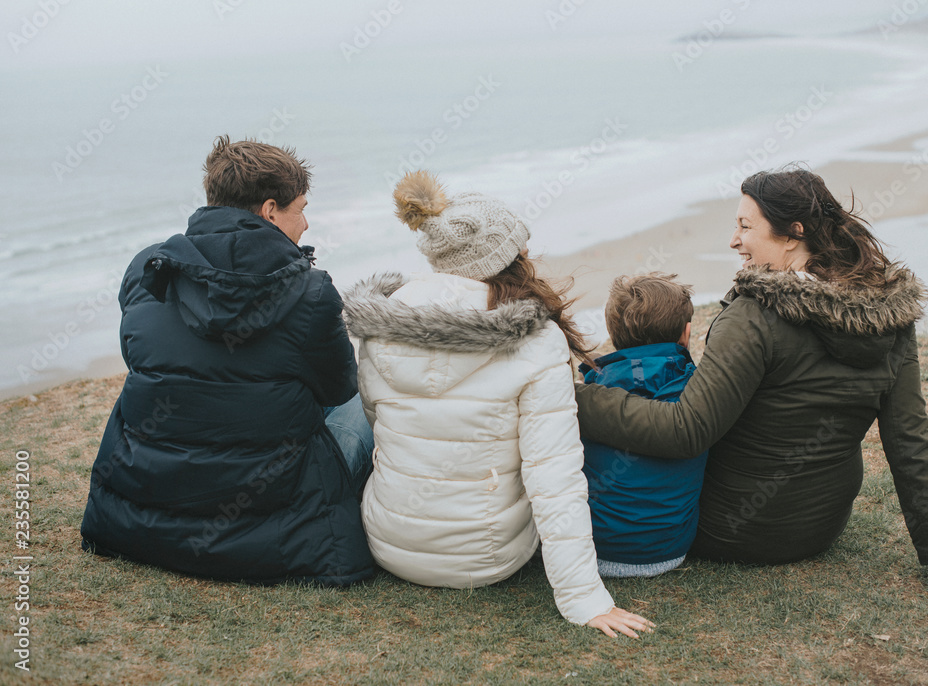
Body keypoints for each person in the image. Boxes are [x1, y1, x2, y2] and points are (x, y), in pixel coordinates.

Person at [574, 166, 928, 609]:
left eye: (744, 226)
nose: (733, 240)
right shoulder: (889, 314)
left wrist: (577, 398)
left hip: (731, 528)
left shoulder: (754, 316)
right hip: (821, 526)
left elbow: (686, 431)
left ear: (792, 233)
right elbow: (909, 441)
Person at [341, 170, 654, 637]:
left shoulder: (381, 323)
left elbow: (378, 426)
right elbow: (554, 476)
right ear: (508, 257)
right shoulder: (536, 339)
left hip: (390, 545)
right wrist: (584, 598)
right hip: (486, 557)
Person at [80, 136, 374, 586]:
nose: (307, 223)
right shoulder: (312, 293)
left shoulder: (151, 268)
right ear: (270, 210)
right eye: (301, 209)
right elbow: (338, 389)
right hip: (276, 522)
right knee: (365, 399)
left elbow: (141, 354)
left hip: (142, 514)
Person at [581, 273, 708, 578]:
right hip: (669, 550)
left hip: (593, 550)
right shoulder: (698, 393)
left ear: (613, 335)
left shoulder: (596, 387)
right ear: (686, 334)